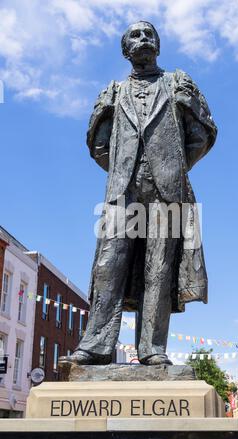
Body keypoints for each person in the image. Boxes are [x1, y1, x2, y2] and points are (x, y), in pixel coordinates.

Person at [59, 21, 217, 367]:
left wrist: (171, 166)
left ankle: (152, 348)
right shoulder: (113, 92)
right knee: (108, 265)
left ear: (158, 45)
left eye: (150, 35)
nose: (143, 39)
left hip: (167, 190)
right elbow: (98, 145)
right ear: (124, 49)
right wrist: (123, 170)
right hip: (122, 190)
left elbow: (200, 136)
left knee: (158, 269)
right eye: (136, 35)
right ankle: (97, 345)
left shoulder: (177, 83)